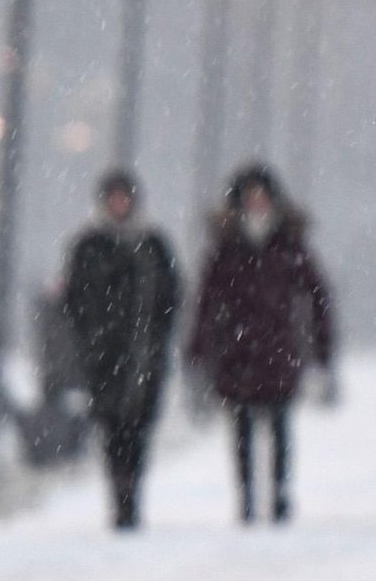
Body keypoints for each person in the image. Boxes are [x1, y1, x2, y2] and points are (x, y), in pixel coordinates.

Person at [188, 164, 336, 525]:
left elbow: (317, 297)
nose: (256, 203)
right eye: (250, 197)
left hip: (278, 350)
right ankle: (247, 496)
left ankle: (280, 492)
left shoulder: (289, 245)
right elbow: (206, 303)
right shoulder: (224, 250)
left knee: (280, 424)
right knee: (240, 427)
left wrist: (320, 349)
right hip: (236, 353)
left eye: (262, 196)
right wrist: (199, 349)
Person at [62, 171, 182, 529]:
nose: (119, 204)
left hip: (145, 355)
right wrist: (92, 337)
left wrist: (156, 337)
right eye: (113, 198)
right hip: (103, 358)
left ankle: (133, 493)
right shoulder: (88, 246)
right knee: (111, 429)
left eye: (124, 197)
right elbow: (75, 300)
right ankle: (119, 497)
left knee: (139, 428)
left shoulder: (153, 245)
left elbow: (170, 297)